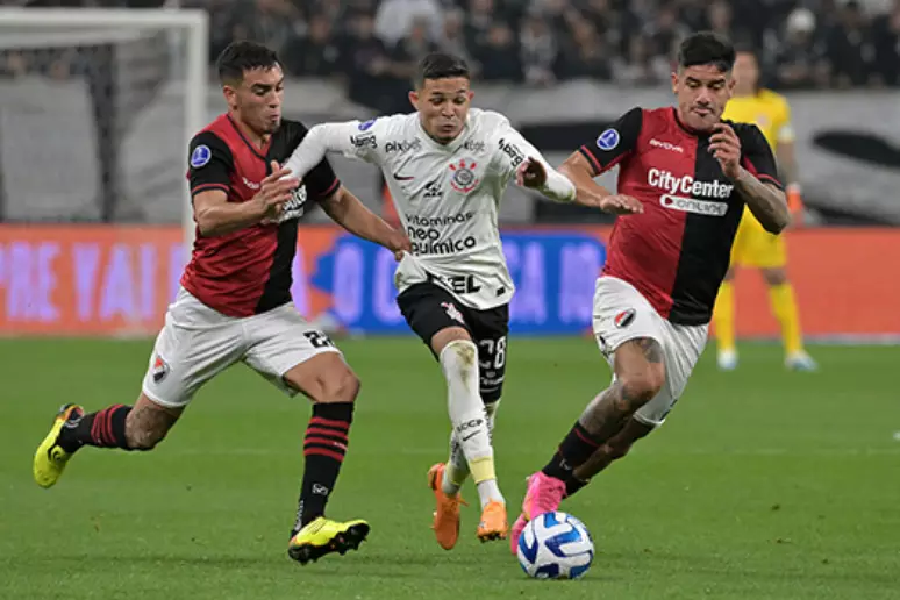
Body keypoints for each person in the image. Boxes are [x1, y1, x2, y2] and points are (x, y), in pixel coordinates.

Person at [32, 41, 409, 565]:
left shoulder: (297, 140)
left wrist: (396, 240)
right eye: (260, 91)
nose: (273, 101)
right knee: (143, 433)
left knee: (340, 384)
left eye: (278, 89)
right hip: (205, 316)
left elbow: (338, 201)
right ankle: (73, 428)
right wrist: (258, 205)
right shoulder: (211, 145)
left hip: (272, 314)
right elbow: (207, 216)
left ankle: (309, 524)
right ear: (231, 96)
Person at [283, 51, 641, 551]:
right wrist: (288, 177)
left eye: (457, 101)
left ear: (469, 100)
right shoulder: (390, 135)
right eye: (437, 101)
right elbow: (319, 136)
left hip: (489, 290)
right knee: (459, 355)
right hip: (423, 277)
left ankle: (448, 485)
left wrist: (565, 190)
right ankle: (493, 497)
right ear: (416, 101)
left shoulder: (492, 132)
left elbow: (548, 177)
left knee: (481, 413)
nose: (449, 111)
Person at [507, 32, 791, 552]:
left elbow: (778, 218)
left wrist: (738, 177)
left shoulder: (746, 142)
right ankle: (547, 488)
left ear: (730, 89)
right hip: (629, 287)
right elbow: (571, 169)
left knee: (621, 441)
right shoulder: (641, 126)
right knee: (640, 379)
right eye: (694, 85)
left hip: (690, 317)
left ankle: (540, 507)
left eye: (715, 87)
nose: (703, 97)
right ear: (676, 82)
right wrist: (599, 201)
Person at [712, 48, 817, 372]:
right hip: (725, 200)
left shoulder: (774, 105)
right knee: (724, 274)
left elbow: (786, 153)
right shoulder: (717, 103)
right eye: (738, 67)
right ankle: (726, 350)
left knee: (776, 274)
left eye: (748, 66)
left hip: (761, 201)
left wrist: (794, 195)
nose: (743, 72)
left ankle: (794, 350)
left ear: (757, 71)